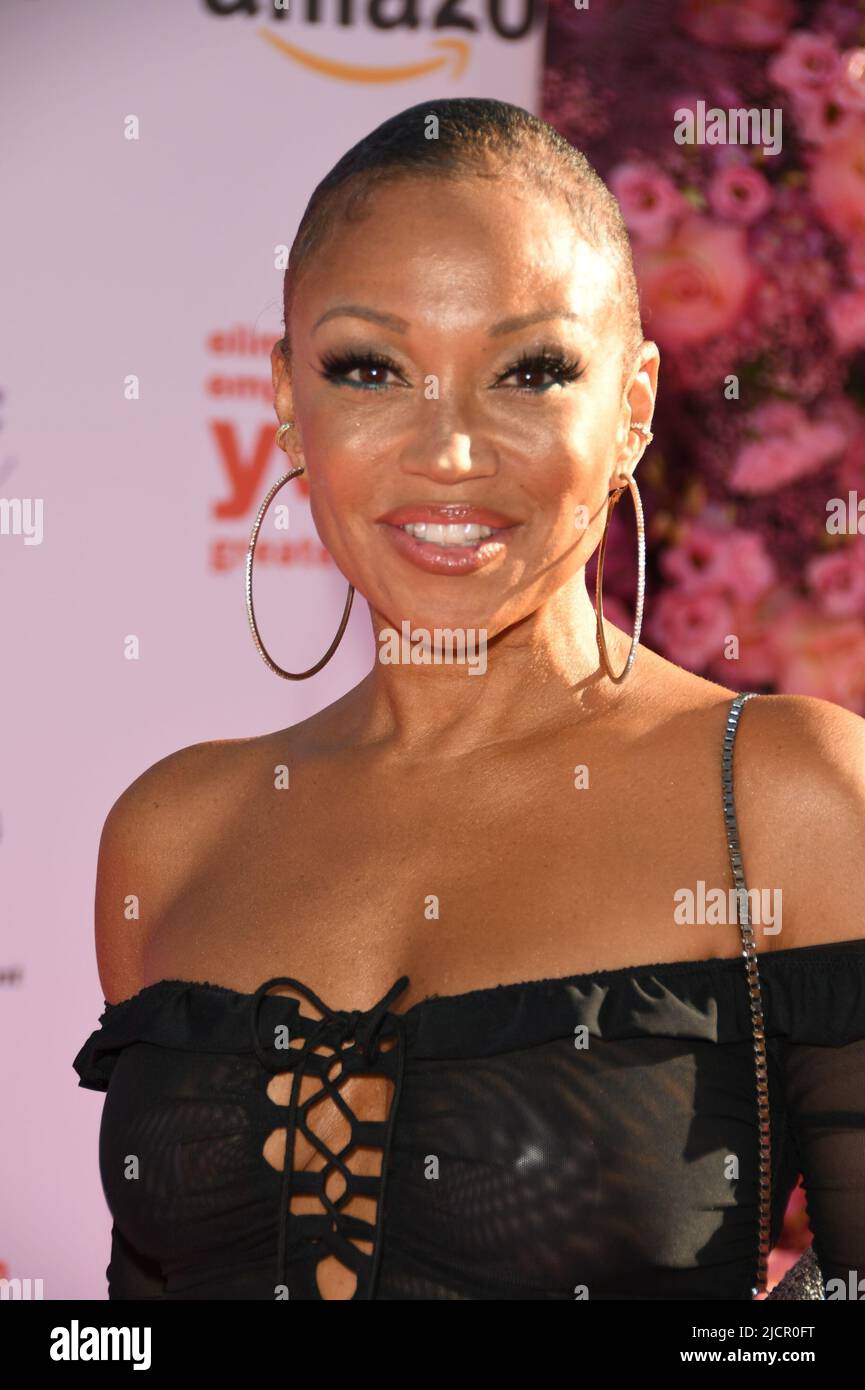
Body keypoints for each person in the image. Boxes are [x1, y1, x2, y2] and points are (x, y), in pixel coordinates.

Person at [74, 97, 865, 1301]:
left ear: (633, 411)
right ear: (288, 398)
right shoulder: (172, 834)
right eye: (370, 368)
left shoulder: (789, 799)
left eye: (530, 370)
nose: (449, 452)